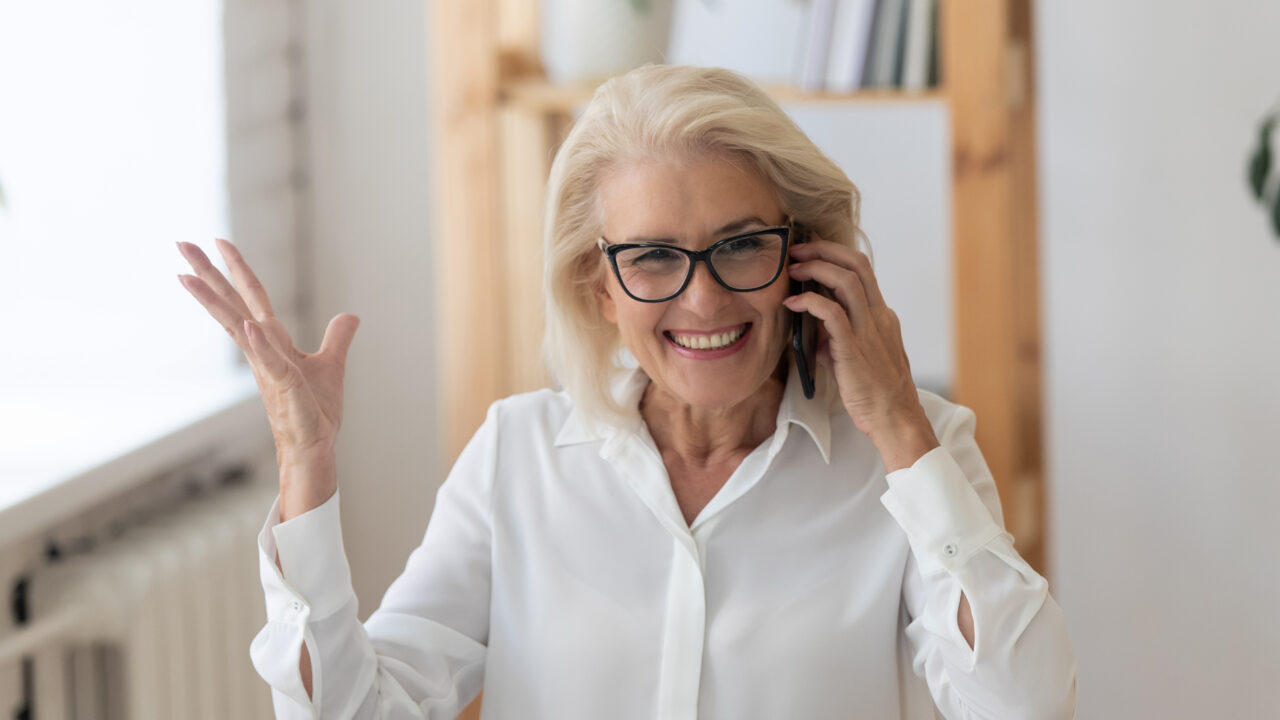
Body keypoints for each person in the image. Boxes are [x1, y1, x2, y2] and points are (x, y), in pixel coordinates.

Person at [178, 64, 1076, 719]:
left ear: (803, 257)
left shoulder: (916, 455)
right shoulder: (517, 455)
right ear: (599, 287)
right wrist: (306, 465)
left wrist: (901, 429)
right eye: (652, 257)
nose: (704, 300)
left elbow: (1026, 708)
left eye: (740, 245)